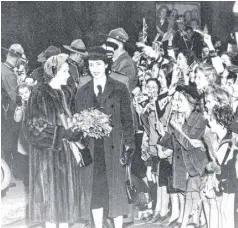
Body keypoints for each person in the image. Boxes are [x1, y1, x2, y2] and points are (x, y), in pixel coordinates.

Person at [75, 47, 135, 228]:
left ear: (106, 65)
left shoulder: (119, 88)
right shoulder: (82, 91)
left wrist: (130, 145)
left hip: (114, 147)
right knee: (95, 191)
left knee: (115, 190)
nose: (95, 68)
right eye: (91, 65)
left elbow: (127, 119)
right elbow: (77, 120)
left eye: (98, 64)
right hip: (92, 149)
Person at [24, 54, 81, 228]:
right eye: (64, 71)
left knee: (64, 211)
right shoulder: (40, 93)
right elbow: (33, 128)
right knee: (50, 211)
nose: (68, 75)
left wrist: (76, 130)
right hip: (46, 160)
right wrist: (61, 133)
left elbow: (66, 120)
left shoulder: (64, 93)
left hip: (64, 158)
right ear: (53, 71)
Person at [1, 44, 25, 174]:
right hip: (8, 113)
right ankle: (8, 173)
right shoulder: (8, 73)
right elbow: (16, 97)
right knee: (10, 143)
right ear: (18, 58)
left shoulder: (1, 67)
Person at [106, 27, 137, 92]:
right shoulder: (111, 60)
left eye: (110, 44)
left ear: (120, 45)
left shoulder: (128, 64)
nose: (107, 46)